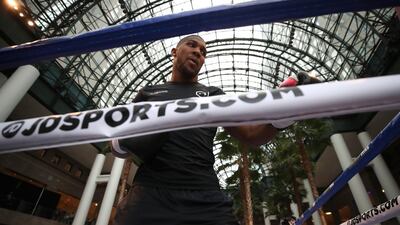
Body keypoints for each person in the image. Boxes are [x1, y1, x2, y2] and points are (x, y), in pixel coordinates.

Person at [111, 35, 315, 225]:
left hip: (204, 194)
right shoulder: (149, 92)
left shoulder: (212, 94)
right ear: (174, 51)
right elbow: (122, 145)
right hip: (150, 193)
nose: (198, 52)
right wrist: (120, 142)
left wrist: (285, 114)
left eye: (203, 51)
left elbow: (250, 134)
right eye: (192, 45)